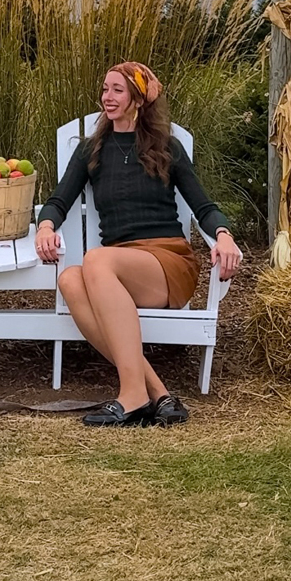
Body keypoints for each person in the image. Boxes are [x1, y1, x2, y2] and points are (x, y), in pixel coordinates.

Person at [35, 61, 242, 428]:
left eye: (117, 90)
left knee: (96, 261)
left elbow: (203, 205)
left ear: (137, 99)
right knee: (69, 279)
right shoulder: (91, 150)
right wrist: (45, 227)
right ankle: (156, 393)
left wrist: (223, 235)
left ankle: (130, 395)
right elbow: (58, 200)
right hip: (117, 269)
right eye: (104, 89)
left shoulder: (167, 148)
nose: (107, 97)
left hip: (167, 262)